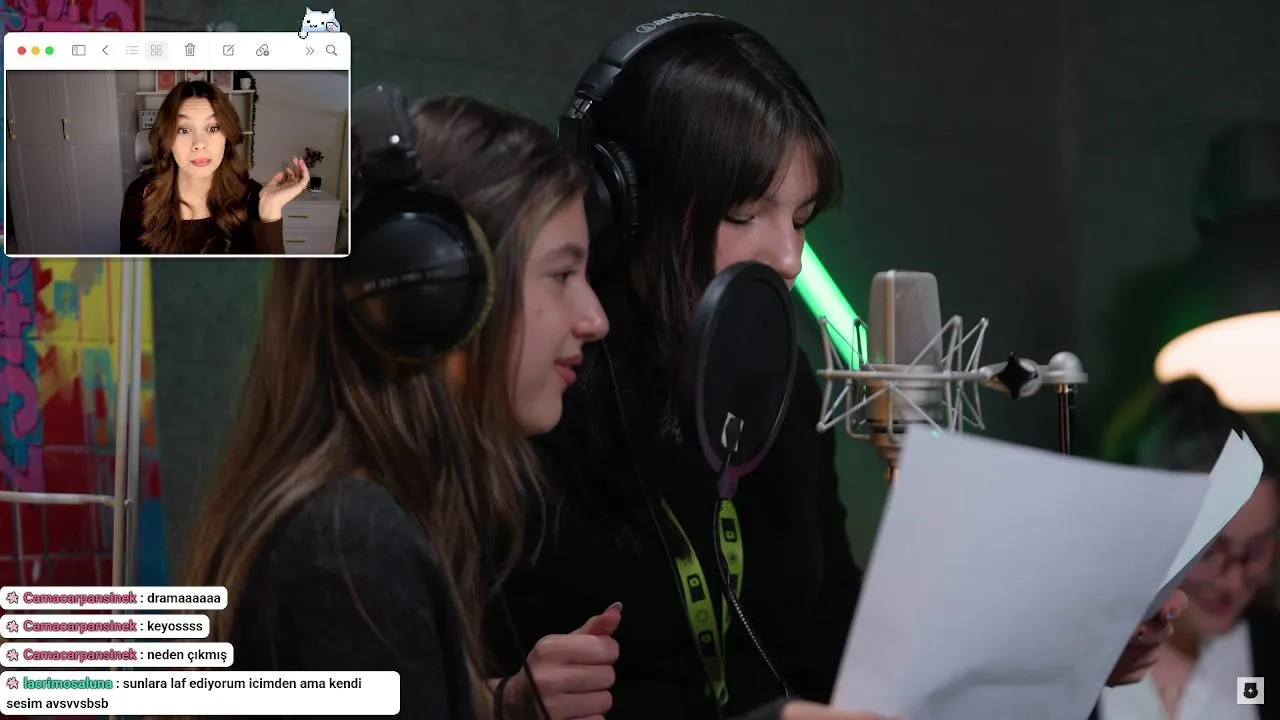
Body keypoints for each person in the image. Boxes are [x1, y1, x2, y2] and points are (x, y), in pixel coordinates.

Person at [485, 17, 1187, 720]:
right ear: (632, 206)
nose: (789, 259)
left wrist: (1066, 648)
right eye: (746, 214)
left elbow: (835, 648)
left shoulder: (777, 382)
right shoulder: (537, 394)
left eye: (799, 220)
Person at [179, 93, 868, 720]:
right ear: (434, 296)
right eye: (562, 273)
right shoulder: (350, 550)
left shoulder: (363, 527)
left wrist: (499, 709)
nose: (594, 318)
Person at [1094, 377, 1278, 720]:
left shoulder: (1269, 655)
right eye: (1208, 552)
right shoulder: (1077, 663)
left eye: (1256, 551)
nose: (1233, 583)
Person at [119, 80, 308, 254]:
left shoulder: (253, 197)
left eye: (212, 128)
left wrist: (270, 211)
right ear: (168, 139)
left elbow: (273, 278)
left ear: (226, 136)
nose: (199, 144)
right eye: (184, 130)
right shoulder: (141, 195)